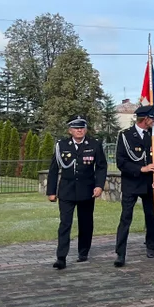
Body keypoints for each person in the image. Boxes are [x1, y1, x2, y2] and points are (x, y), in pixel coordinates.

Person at [46, 115, 108, 269]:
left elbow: (101, 166)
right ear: (70, 130)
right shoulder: (61, 145)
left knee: (86, 223)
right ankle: (61, 257)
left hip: (87, 190)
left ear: (86, 129)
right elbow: (54, 170)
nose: (79, 130)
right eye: (76, 128)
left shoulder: (94, 144)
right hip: (66, 191)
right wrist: (51, 191)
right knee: (65, 224)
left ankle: (83, 251)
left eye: (82, 127)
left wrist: (99, 185)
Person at [114, 104, 154, 267]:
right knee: (126, 217)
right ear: (146, 119)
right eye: (152, 118)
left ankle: (151, 245)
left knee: (151, 216)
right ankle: (120, 253)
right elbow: (121, 162)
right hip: (132, 182)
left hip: (149, 183)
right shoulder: (125, 136)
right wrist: (141, 168)